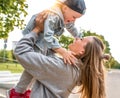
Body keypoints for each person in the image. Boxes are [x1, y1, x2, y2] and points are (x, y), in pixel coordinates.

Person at [9, 10, 109, 98]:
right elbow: (45, 57)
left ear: (82, 52)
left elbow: (21, 51)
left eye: (82, 39)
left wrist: (37, 30)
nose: (78, 38)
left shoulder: (64, 67)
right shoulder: (74, 69)